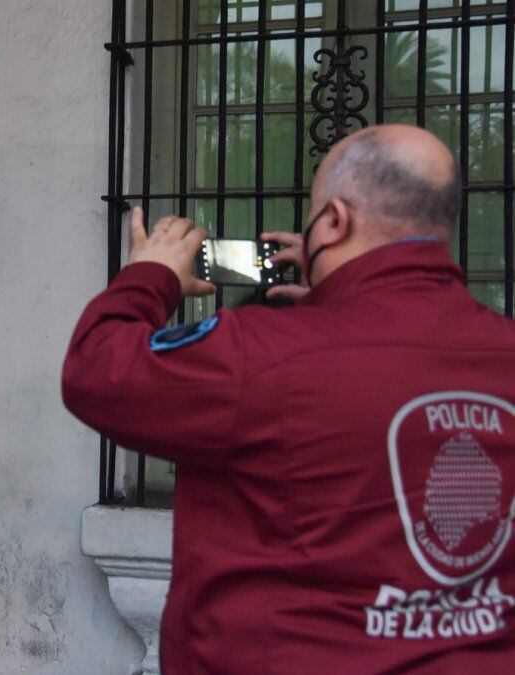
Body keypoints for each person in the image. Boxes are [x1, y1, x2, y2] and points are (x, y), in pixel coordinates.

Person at [62, 124, 515, 673]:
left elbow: (96, 369)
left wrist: (150, 274)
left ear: (335, 221)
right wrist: (338, 291)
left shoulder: (261, 354)